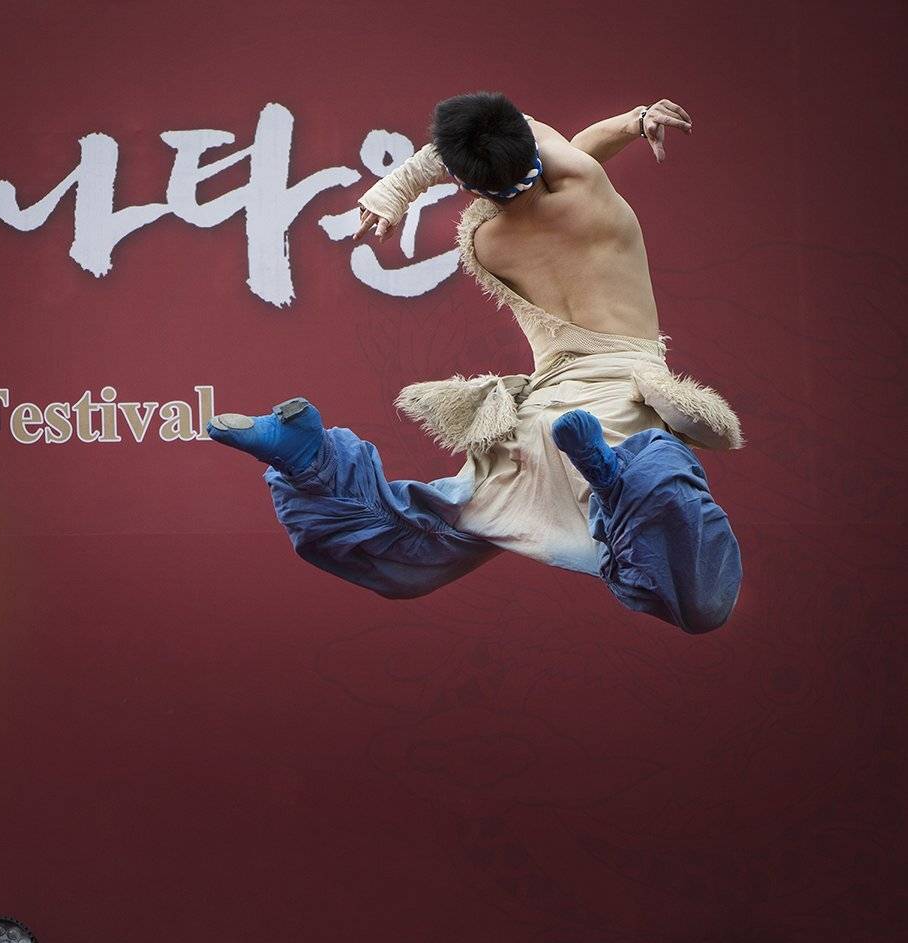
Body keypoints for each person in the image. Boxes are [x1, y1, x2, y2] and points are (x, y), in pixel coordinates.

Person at [208, 93, 743, 634]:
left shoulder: (488, 242)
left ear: (467, 185)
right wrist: (634, 121)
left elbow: (484, 153)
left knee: (426, 537)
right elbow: (550, 141)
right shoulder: (586, 185)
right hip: (618, 402)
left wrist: (395, 191)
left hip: (534, 417)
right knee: (692, 593)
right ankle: (611, 478)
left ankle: (309, 461)